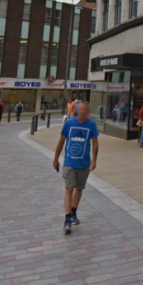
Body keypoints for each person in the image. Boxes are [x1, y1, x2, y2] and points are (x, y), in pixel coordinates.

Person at [53, 100, 100, 234]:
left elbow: (95, 142)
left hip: (84, 163)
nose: (83, 112)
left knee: (79, 189)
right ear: (77, 110)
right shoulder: (69, 123)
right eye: (81, 110)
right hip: (69, 162)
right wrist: (56, 159)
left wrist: (94, 159)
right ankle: (67, 219)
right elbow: (61, 141)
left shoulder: (92, 125)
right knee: (69, 188)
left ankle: (73, 212)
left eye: (86, 110)